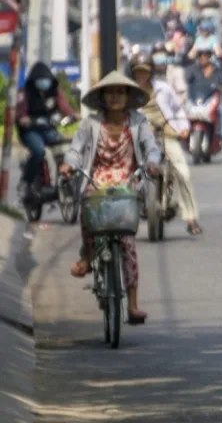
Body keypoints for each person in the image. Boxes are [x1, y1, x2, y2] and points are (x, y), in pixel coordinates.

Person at [61, 71, 160, 324]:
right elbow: (76, 149)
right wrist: (69, 164)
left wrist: (151, 163)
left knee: (127, 244)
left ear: (128, 96)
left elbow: (151, 148)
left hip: (127, 183)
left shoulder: (139, 122)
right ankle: (87, 256)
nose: (115, 97)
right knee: (88, 208)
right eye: (110, 92)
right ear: (103, 96)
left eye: (120, 92)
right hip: (97, 181)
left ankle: (134, 305)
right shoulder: (91, 123)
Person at [130, 54, 203, 235]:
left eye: (144, 72)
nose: (141, 76)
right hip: (138, 137)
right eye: (137, 72)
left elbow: (178, 109)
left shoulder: (163, 89)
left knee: (183, 173)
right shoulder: (128, 92)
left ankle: (190, 217)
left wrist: (184, 127)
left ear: (151, 72)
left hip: (166, 133)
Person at [16, 62, 79, 190]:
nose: (44, 83)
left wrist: (73, 115)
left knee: (64, 147)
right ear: (34, 81)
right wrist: (24, 119)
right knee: (39, 151)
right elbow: (20, 112)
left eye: (46, 80)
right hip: (30, 131)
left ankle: (64, 182)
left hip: (48, 128)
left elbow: (64, 106)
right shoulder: (25, 93)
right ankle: (26, 181)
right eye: (41, 80)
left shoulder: (54, 92)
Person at [185, 45, 222, 141]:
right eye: (200, 55)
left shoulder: (217, 70)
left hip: (211, 98)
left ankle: (219, 133)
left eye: (206, 55)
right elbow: (185, 79)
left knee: (220, 111)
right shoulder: (193, 69)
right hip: (196, 99)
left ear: (210, 56)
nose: (203, 57)